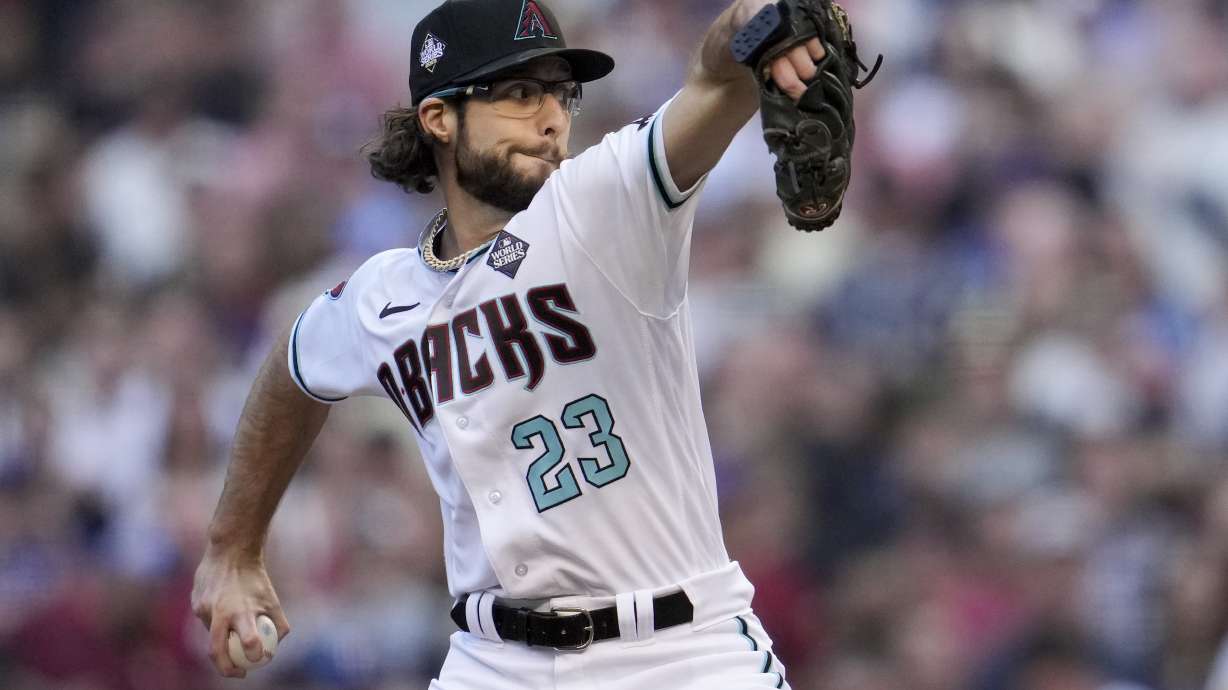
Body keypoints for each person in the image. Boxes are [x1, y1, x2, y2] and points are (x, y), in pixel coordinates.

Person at [191, 0, 827, 687]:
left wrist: (749, 24)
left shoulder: (603, 203)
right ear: (439, 117)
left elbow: (715, 79)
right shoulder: (381, 297)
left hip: (678, 649)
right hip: (495, 659)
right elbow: (292, 372)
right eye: (521, 94)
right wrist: (233, 547)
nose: (552, 117)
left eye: (562, 94)